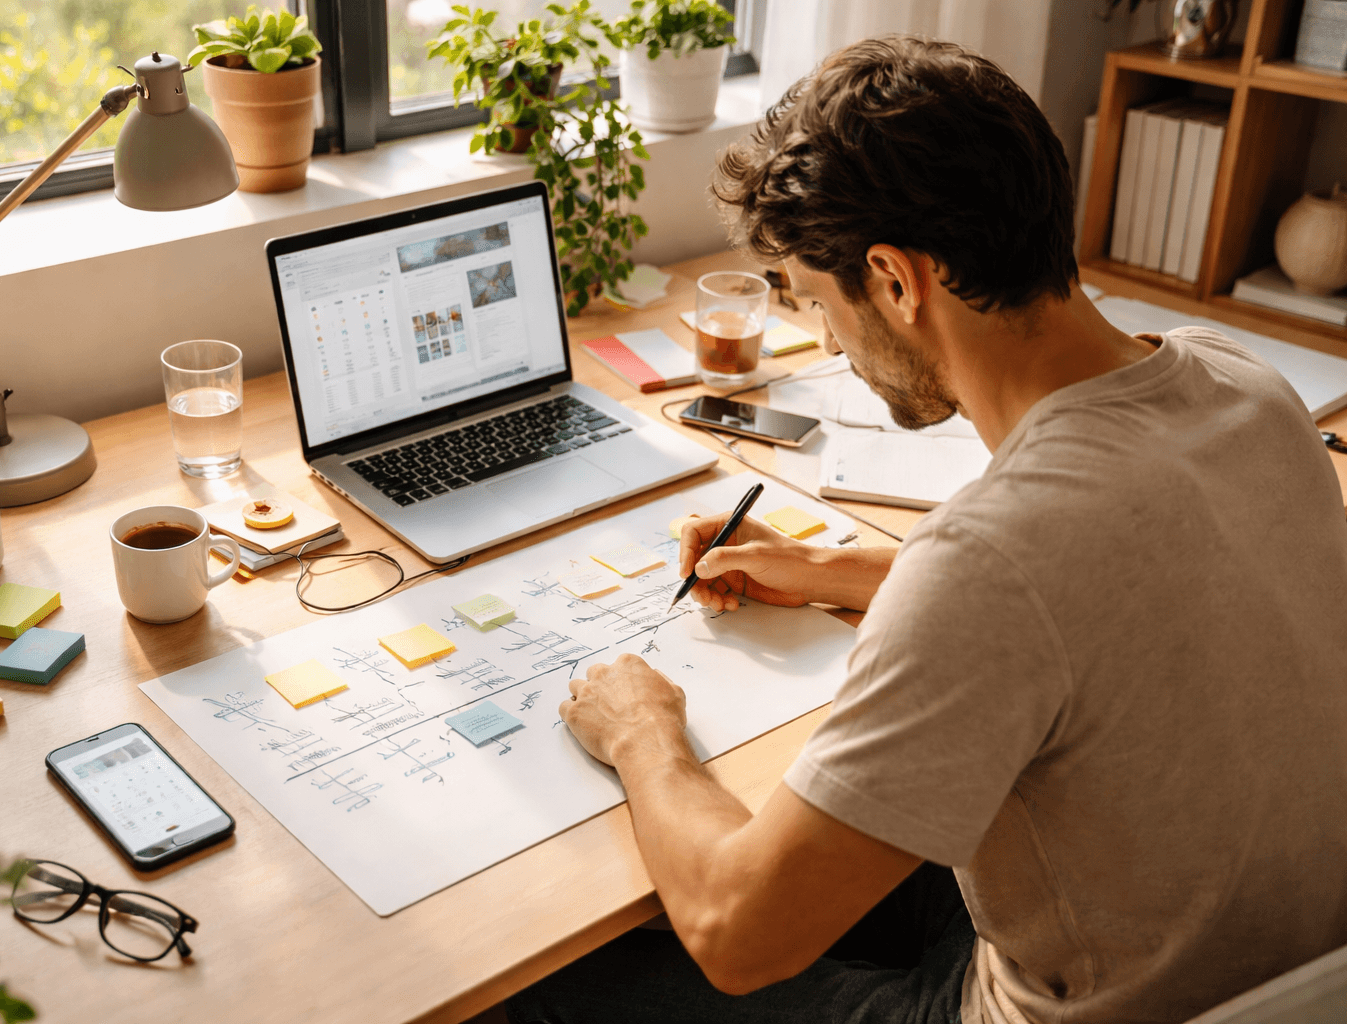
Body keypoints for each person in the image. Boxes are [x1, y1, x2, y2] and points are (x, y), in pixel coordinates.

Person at [505, 35, 1347, 1024]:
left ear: (896, 282)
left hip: (1054, 1007)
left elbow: (738, 933)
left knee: (552, 970)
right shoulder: (1242, 382)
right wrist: (833, 568)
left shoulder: (991, 563)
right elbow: (1110, 580)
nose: (828, 341)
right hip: (1259, 968)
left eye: (820, 305)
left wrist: (644, 732)